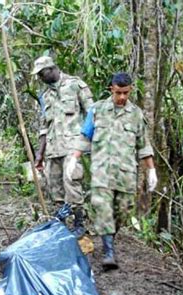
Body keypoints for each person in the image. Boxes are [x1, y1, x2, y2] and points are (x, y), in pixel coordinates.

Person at [67, 72, 157, 268]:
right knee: (103, 210)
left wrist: (151, 170)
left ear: (130, 90)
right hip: (101, 173)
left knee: (122, 213)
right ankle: (109, 253)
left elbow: (143, 145)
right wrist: (73, 159)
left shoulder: (136, 114)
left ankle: (110, 239)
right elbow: (85, 137)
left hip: (125, 174)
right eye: (118, 93)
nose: (122, 97)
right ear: (111, 90)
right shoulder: (97, 110)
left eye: (126, 93)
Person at [32, 56, 93, 238]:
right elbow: (44, 127)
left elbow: (92, 114)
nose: (40, 78)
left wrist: (89, 142)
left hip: (72, 146)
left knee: (71, 181)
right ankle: (61, 224)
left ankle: (79, 223)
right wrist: (39, 155)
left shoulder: (75, 85)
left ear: (52, 69)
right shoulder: (45, 96)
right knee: (54, 186)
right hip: (53, 148)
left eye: (42, 74)